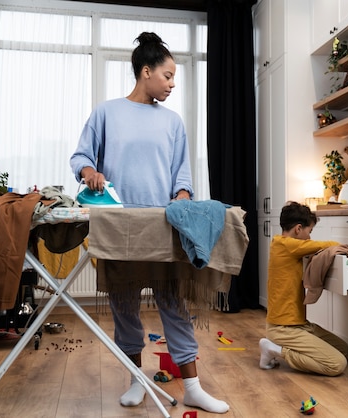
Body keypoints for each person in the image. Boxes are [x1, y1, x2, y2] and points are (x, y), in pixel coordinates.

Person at [70, 32, 229, 414]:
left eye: (175, 77)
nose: (173, 84)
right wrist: (90, 171)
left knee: (173, 303)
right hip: (119, 225)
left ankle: (192, 386)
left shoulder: (173, 122)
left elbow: (182, 175)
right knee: (124, 304)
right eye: (169, 76)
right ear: (146, 72)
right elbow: (80, 157)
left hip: (160, 225)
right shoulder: (106, 113)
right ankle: (136, 380)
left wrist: (183, 197)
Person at [259, 201, 348, 376]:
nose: (309, 237)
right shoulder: (288, 245)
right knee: (336, 364)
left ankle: (283, 348)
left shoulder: (281, 243)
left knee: (342, 348)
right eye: (309, 231)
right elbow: (330, 244)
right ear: (298, 229)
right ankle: (274, 349)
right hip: (283, 328)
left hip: (299, 324)